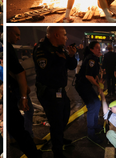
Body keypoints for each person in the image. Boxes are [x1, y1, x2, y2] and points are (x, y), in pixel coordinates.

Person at [33, 27, 77, 158]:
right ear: (56, 35)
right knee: (56, 122)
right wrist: (62, 59)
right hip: (49, 92)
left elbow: (71, 65)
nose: (66, 37)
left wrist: (70, 55)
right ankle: (57, 152)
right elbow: (48, 72)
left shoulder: (60, 48)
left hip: (60, 91)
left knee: (64, 117)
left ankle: (59, 138)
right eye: (64, 35)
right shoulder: (42, 49)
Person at [7, 27, 42, 158]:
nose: (19, 37)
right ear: (8, 32)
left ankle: (16, 138)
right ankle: (30, 142)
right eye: (16, 34)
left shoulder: (9, 49)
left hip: (13, 90)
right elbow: (20, 72)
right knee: (22, 120)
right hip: (13, 91)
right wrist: (23, 96)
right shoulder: (9, 48)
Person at [75, 41, 103, 143]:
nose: (99, 49)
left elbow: (94, 74)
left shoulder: (94, 58)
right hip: (82, 85)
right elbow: (88, 76)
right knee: (92, 106)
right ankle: (91, 134)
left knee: (97, 103)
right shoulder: (91, 58)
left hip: (86, 85)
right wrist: (98, 85)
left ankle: (95, 125)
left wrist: (98, 81)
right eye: (97, 48)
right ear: (91, 49)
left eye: (99, 48)